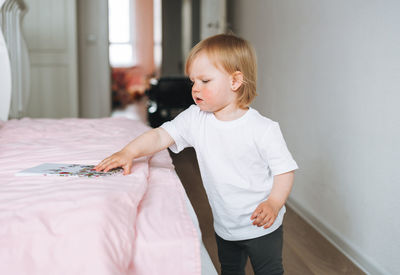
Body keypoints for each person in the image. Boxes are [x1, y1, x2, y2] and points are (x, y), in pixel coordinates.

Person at [95, 33, 298, 275]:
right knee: (230, 270)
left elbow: (284, 170)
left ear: (235, 81)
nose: (195, 89)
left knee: (269, 271)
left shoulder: (263, 129)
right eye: (193, 82)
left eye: (205, 80)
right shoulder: (195, 118)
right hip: (225, 225)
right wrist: (129, 151)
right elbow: (160, 136)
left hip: (263, 224)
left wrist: (274, 203)